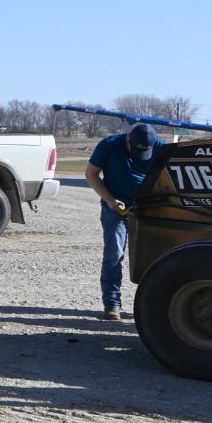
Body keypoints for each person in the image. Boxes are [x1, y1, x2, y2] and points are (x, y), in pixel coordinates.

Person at [85, 123, 160, 319]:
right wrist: (110, 200)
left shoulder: (160, 147)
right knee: (114, 254)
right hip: (115, 209)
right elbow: (91, 174)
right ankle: (112, 303)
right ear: (128, 139)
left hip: (146, 210)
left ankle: (149, 306)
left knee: (150, 258)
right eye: (135, 150)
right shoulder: (109, 144)